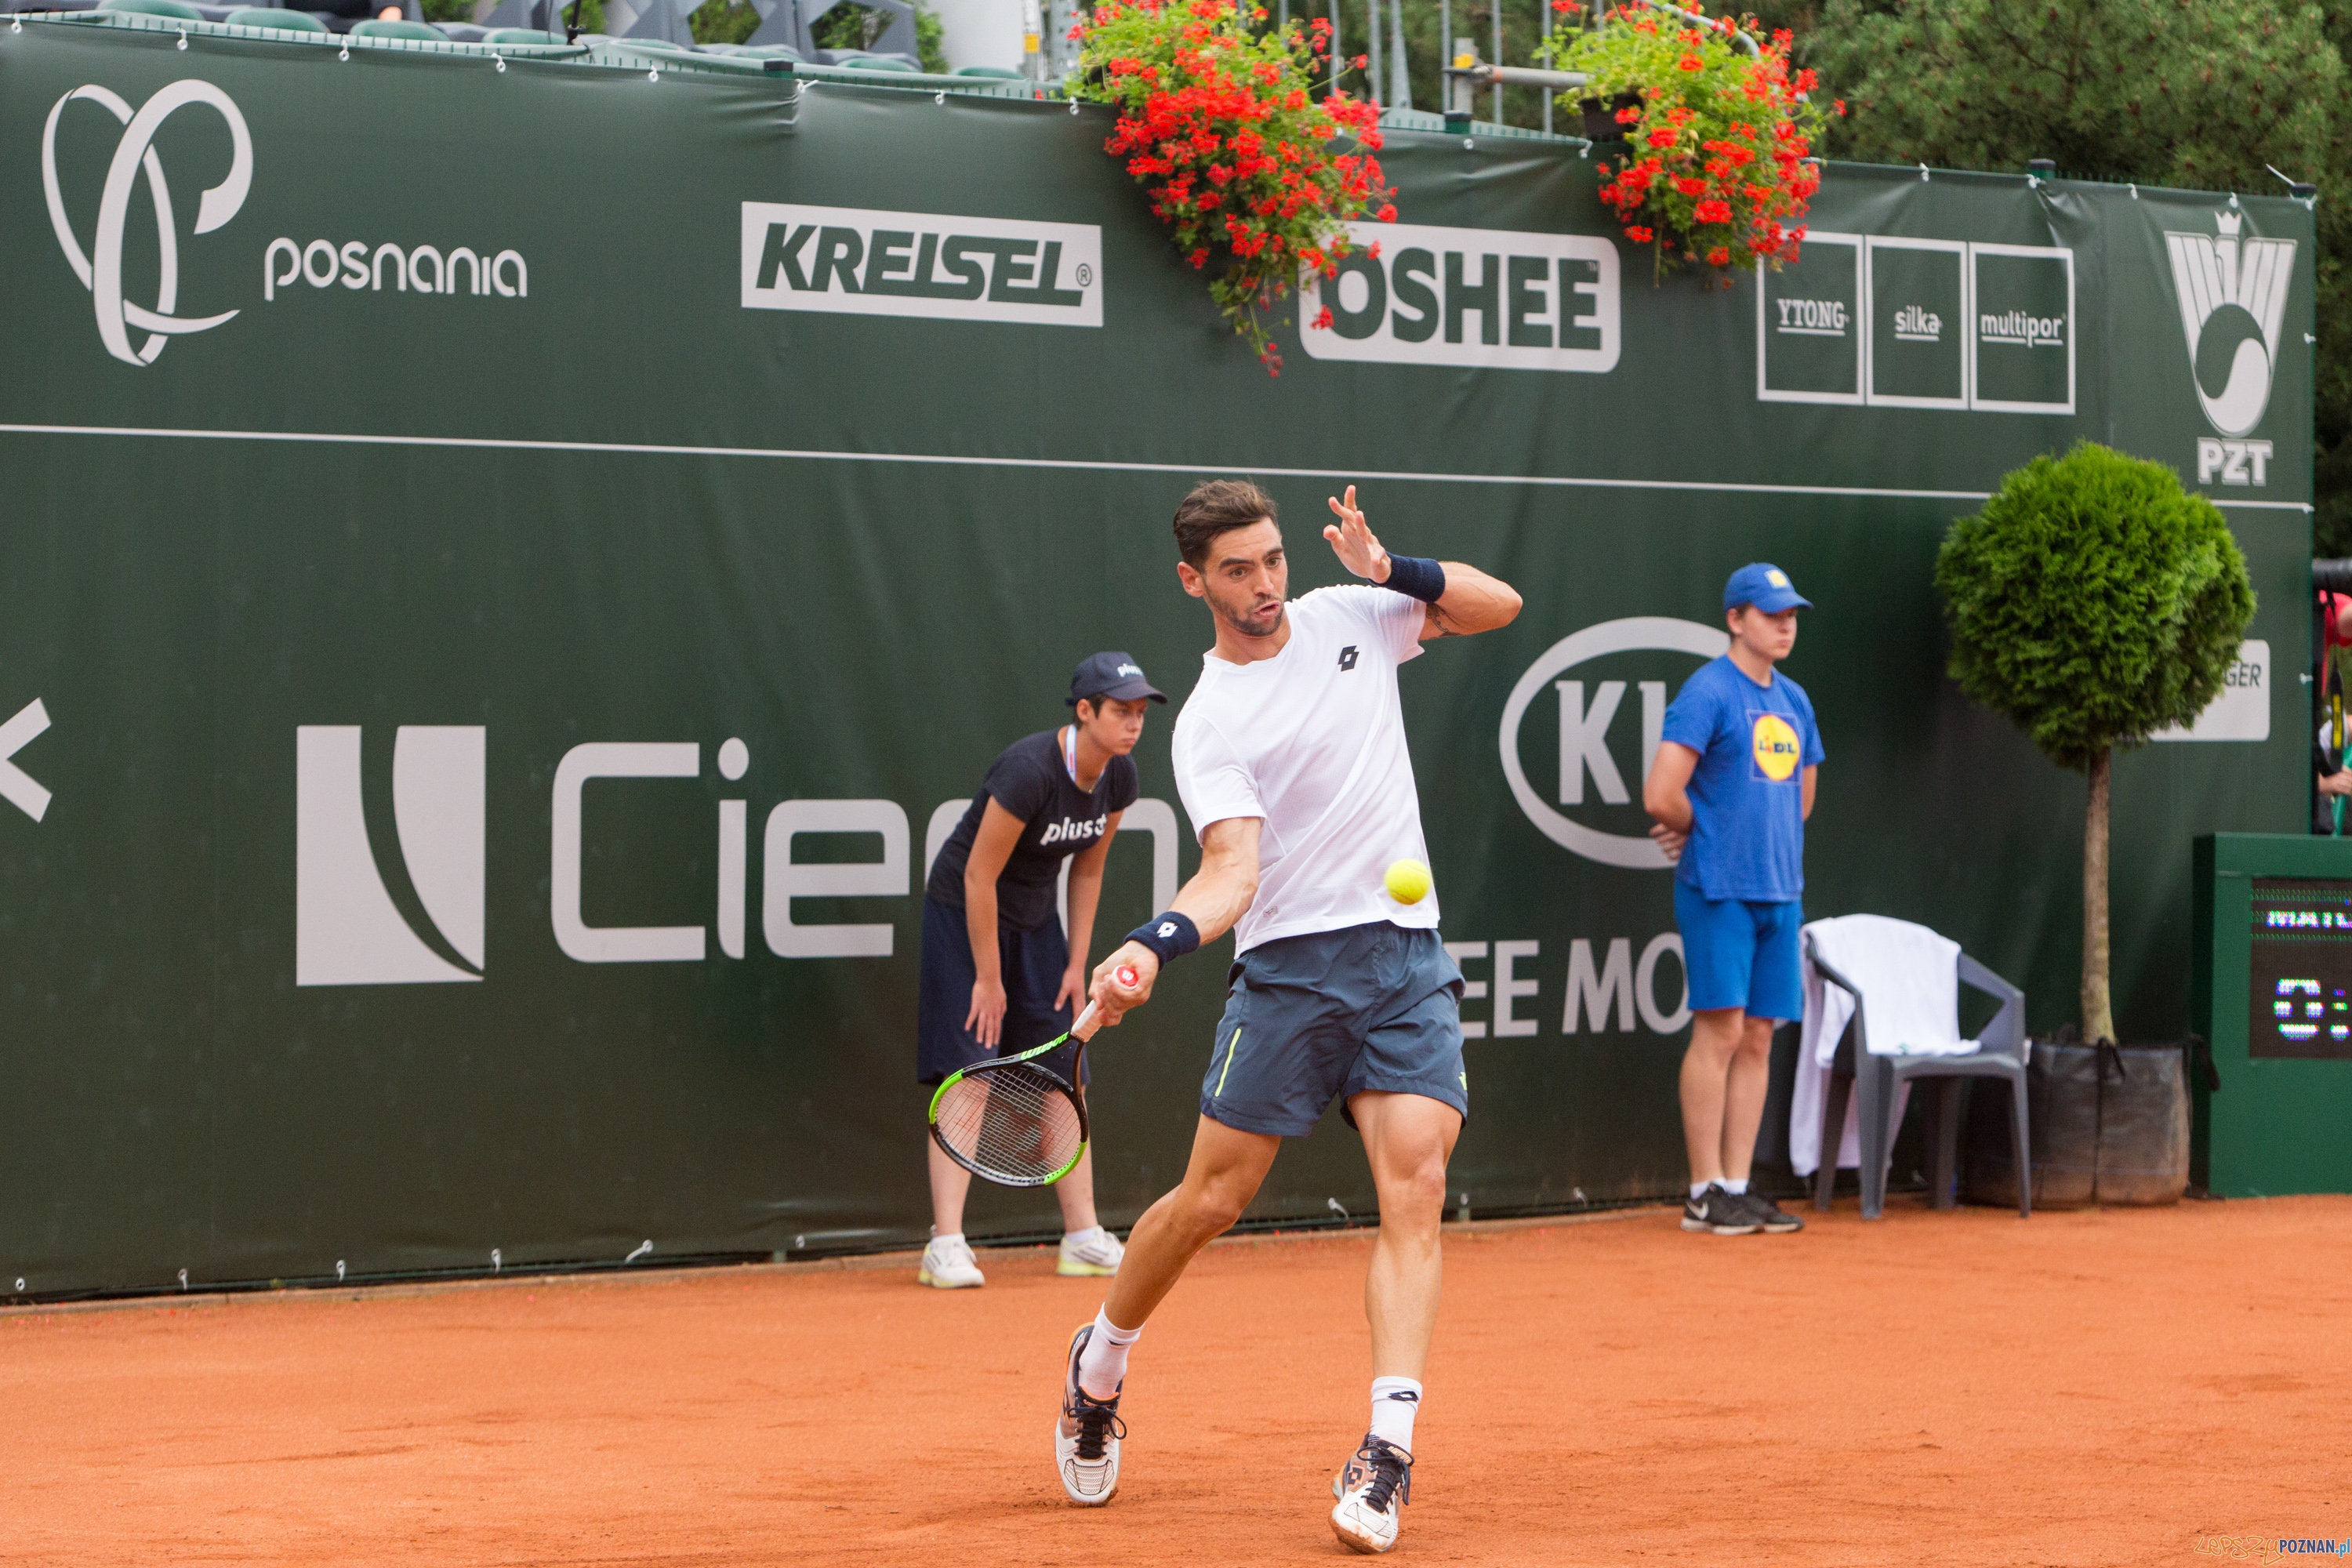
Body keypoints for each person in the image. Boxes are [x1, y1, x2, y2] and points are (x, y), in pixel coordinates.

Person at [1052, 480, 1521, 1555]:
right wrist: (1153, 943)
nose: (1264, 585)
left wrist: (1388, 567)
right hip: (1292, 971)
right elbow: (1232, 871)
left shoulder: (1354, 614)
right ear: (1194, 581)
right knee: (1216, 1195)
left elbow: (1500, 606)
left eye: (1271, 561)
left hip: (1405, 957)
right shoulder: (1210, 717)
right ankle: (1102, 1359)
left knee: (1418, 1182)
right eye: (1238, 570)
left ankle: (1387, 1450)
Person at [914, 652, 1164, 1289]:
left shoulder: (1119, 778)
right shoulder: (1028, 771)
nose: (1133, 724)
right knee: (970, 1071)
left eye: (1140, 713)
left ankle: (1082, 1236)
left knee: (1067, 1068)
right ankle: (945, 1244)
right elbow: (978, 874)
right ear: (1085, 712)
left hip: (1037, 923)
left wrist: (1078, 959)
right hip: (967, 914)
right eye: (1120, 712)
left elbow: (1088, 869)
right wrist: (988, 976)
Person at [1641, 563, 1824, 1239]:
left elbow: (1801, 798)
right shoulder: (1708, 693)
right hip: (1717, 888)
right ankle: (1702, 1191)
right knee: (1720, 1031)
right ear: (1735, 619)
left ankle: (1739, 1187)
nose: (1785, 625)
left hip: (1781, 890)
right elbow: (1662, 794)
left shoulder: (1795, 701)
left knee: (1759, 1035)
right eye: (1771, 614)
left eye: (1792, 615)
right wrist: (1707, 828)